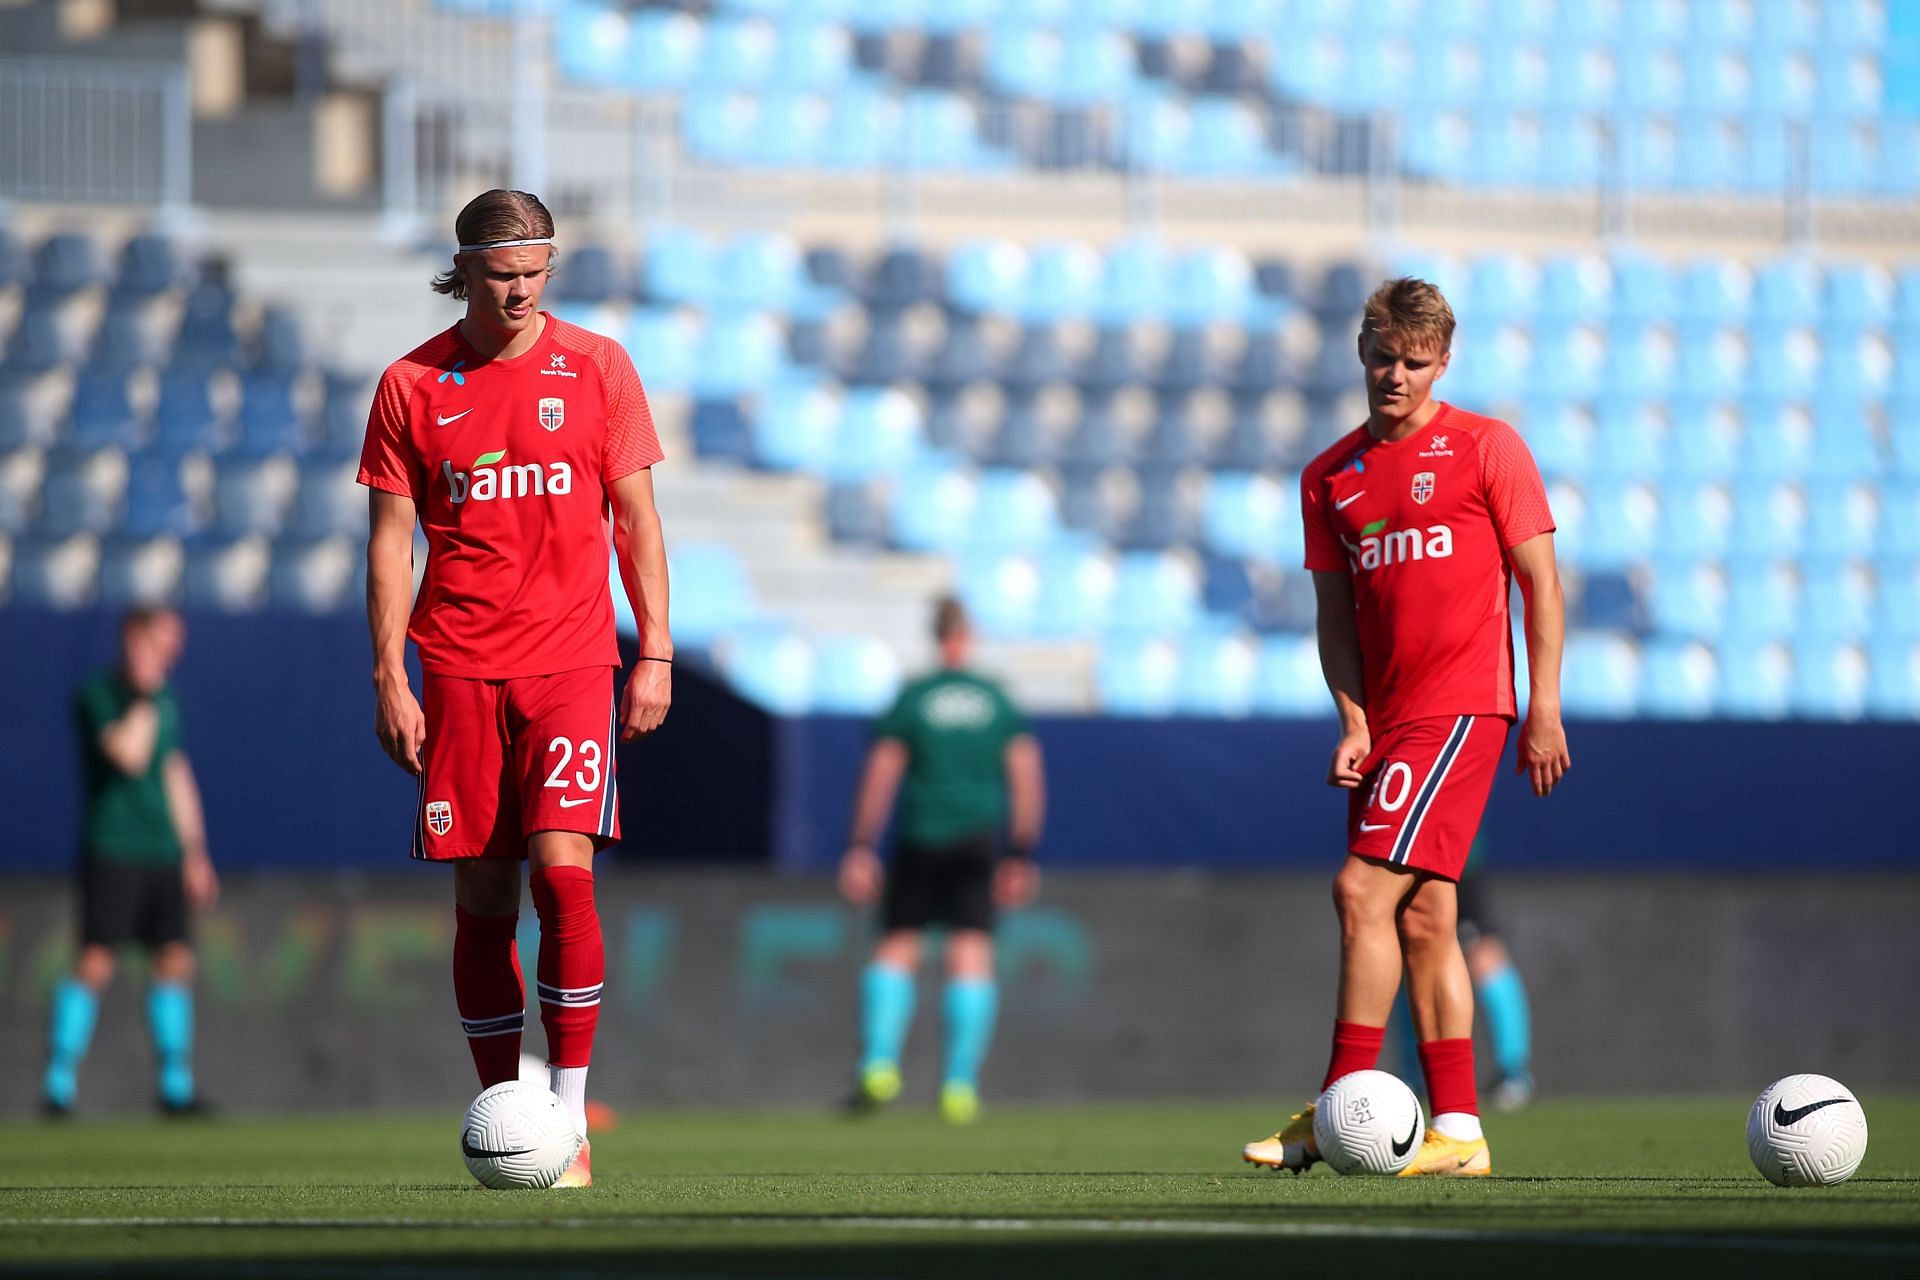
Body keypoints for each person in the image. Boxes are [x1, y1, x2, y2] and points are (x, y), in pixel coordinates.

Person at [358, 188, 671, 1188]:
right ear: (466, 270)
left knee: (562, 867)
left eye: (537, 273)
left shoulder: (598, 369)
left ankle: (570, 1119)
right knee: (482, 892)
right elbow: (389, 544)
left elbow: (635, 517)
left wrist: (655, 647)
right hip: (454, 664)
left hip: (573, 660)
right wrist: (389, 674)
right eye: (504, 276)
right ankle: (503, 1108)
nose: (524, 292)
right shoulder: (412, 383)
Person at [1241, 277, 1568, 1177]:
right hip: (1388, 725)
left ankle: (1336, 1106)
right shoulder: (1329, 477)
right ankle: (1459, 1130)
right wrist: (1352, 720)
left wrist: (1541, 706)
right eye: (1383, 357)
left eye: (1414, 362)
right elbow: (1336, 620)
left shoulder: (1486, 447)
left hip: (1463, 708)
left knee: (1358, 894)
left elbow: (1539, 581)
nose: (1396, 375)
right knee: (1426, 919)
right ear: (1362, 353)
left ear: (1443, 362)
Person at [839, 597, 1045, 1125]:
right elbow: (1025, 772)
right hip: (976, 838)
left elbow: (882, 772)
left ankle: (879, 1064)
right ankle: (959, 1084)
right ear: (968, 636)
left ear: (935, 636)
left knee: (896, 947)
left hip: (921, 835)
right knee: (971, 953)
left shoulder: (914, 697)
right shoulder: (994, 699)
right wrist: (1021, 852)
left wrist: (861, 845)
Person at [42, 606, 218, 1116]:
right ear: (136, 640)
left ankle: (175, 1087)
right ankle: (59, 1084)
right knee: (96, 960)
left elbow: (173, 771)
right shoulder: (101, 694)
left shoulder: (167, 699)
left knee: (173, 960)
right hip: (114, 846)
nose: (173, 650)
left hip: (163, 850)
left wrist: (195, 851)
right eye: (164, 639)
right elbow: (130, 755)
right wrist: (142, 695)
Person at [1388, 828, 1535, 1111]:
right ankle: (1414, 1074)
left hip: (1448, 840)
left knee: (1481, 949)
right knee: (1412, 955)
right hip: (1406, 846)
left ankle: (1513, 1071)